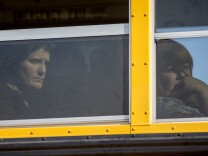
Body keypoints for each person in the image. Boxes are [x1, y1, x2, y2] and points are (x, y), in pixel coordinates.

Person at [156, 39, 208, 118]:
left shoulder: (192, 105)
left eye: (185, 67)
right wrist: (202, 89)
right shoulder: (165, 108)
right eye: (171, 69)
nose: (182, 74)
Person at [0, 42, 51, 120]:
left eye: (46, 63)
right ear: (16, 63)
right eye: (35, 61)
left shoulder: (32, 101)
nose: (42, 71)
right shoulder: (4, 101)